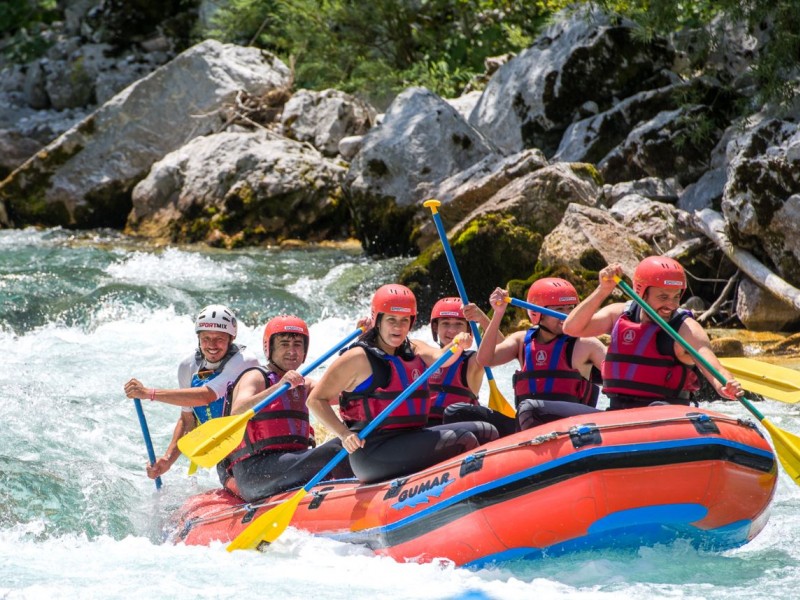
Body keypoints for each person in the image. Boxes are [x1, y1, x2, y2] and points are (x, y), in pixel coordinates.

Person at [306, 284, 499, 484]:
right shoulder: (357, 358)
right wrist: (344, 434)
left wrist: (457, 344)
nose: (398, 327)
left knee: (486, 431)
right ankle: (468, 497)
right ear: (378, 320)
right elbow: (315, 400)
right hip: (374, 451)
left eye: (404, 320)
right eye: (391, 320)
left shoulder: (413, 348)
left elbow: (442, 357)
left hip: (410, 437)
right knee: (462, 440)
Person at [562, 256, 743, 409]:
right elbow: (571, 328)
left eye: (676, 297)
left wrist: (725, 384)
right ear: (641, 293)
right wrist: (603, 290)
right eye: (663, 297)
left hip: (665, 414)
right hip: (619, 412)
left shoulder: (686, 329)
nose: (671, 305)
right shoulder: (619, 314)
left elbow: (713, 367)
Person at [218, 315, 353, 502]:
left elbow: (345, 394)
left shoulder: (304, 385)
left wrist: (365, 342)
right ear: (269, 348)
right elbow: (237, 411)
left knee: (353, 441)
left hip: (290, 463)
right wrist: (278, 387)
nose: (292, 351)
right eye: (284, 344)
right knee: (337, 450)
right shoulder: (255, 376)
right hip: (256, 471)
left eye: (298, 344)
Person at [451, 278, 606, 435]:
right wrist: (498, 314)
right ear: (536, 313)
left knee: (529, 408)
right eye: (559, 309)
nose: (566, 316)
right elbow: (485, 360)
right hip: (528, 419)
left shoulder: (586, 343)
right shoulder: (521, 341)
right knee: (457, 411)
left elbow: (616, 373)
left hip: (574, 423)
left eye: (570, 309)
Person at [124, 304, 259, 480]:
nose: (212, 345)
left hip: (252, 446)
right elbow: (188, 420)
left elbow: (205, 396)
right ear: (198, 338)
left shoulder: (245, 361)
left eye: (219, 339)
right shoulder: (187, 367)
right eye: (205, 338)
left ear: (231, 338)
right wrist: (167, 460)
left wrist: (149, 393)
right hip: (223, 454)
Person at [423, 297, 492, 425]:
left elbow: (502, 347)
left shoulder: (474, 361)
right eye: (445, 323)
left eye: (459, 324)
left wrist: (482, 318)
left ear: (468, 330)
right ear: (435, 327)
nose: (452, 330)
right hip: (424, 429)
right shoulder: (423, 356)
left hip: (460, 428)